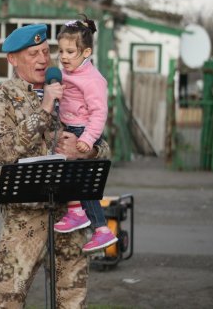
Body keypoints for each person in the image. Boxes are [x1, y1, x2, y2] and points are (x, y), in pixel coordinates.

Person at [0, 23, 111, 308]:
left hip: (70, 217)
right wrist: (44, 108)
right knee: (7, 300)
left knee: (73, 301)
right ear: (12, 59)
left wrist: (85, 150)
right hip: (25, 220)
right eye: (32, 54)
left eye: (44, 51)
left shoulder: (71, 88)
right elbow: (2, 150)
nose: (42, 59)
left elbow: (104, 147)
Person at [52, 17, 118, 252]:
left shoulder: (92, 80)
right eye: (60, 50)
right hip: (70, 128)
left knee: (81, 182)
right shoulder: (65, 72)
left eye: (70, 51)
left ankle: (94, 224)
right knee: (77, 180)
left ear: (86, 52)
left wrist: (87, 140)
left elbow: (99, 114)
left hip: (83, 131)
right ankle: (85, 217)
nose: (64, 56)